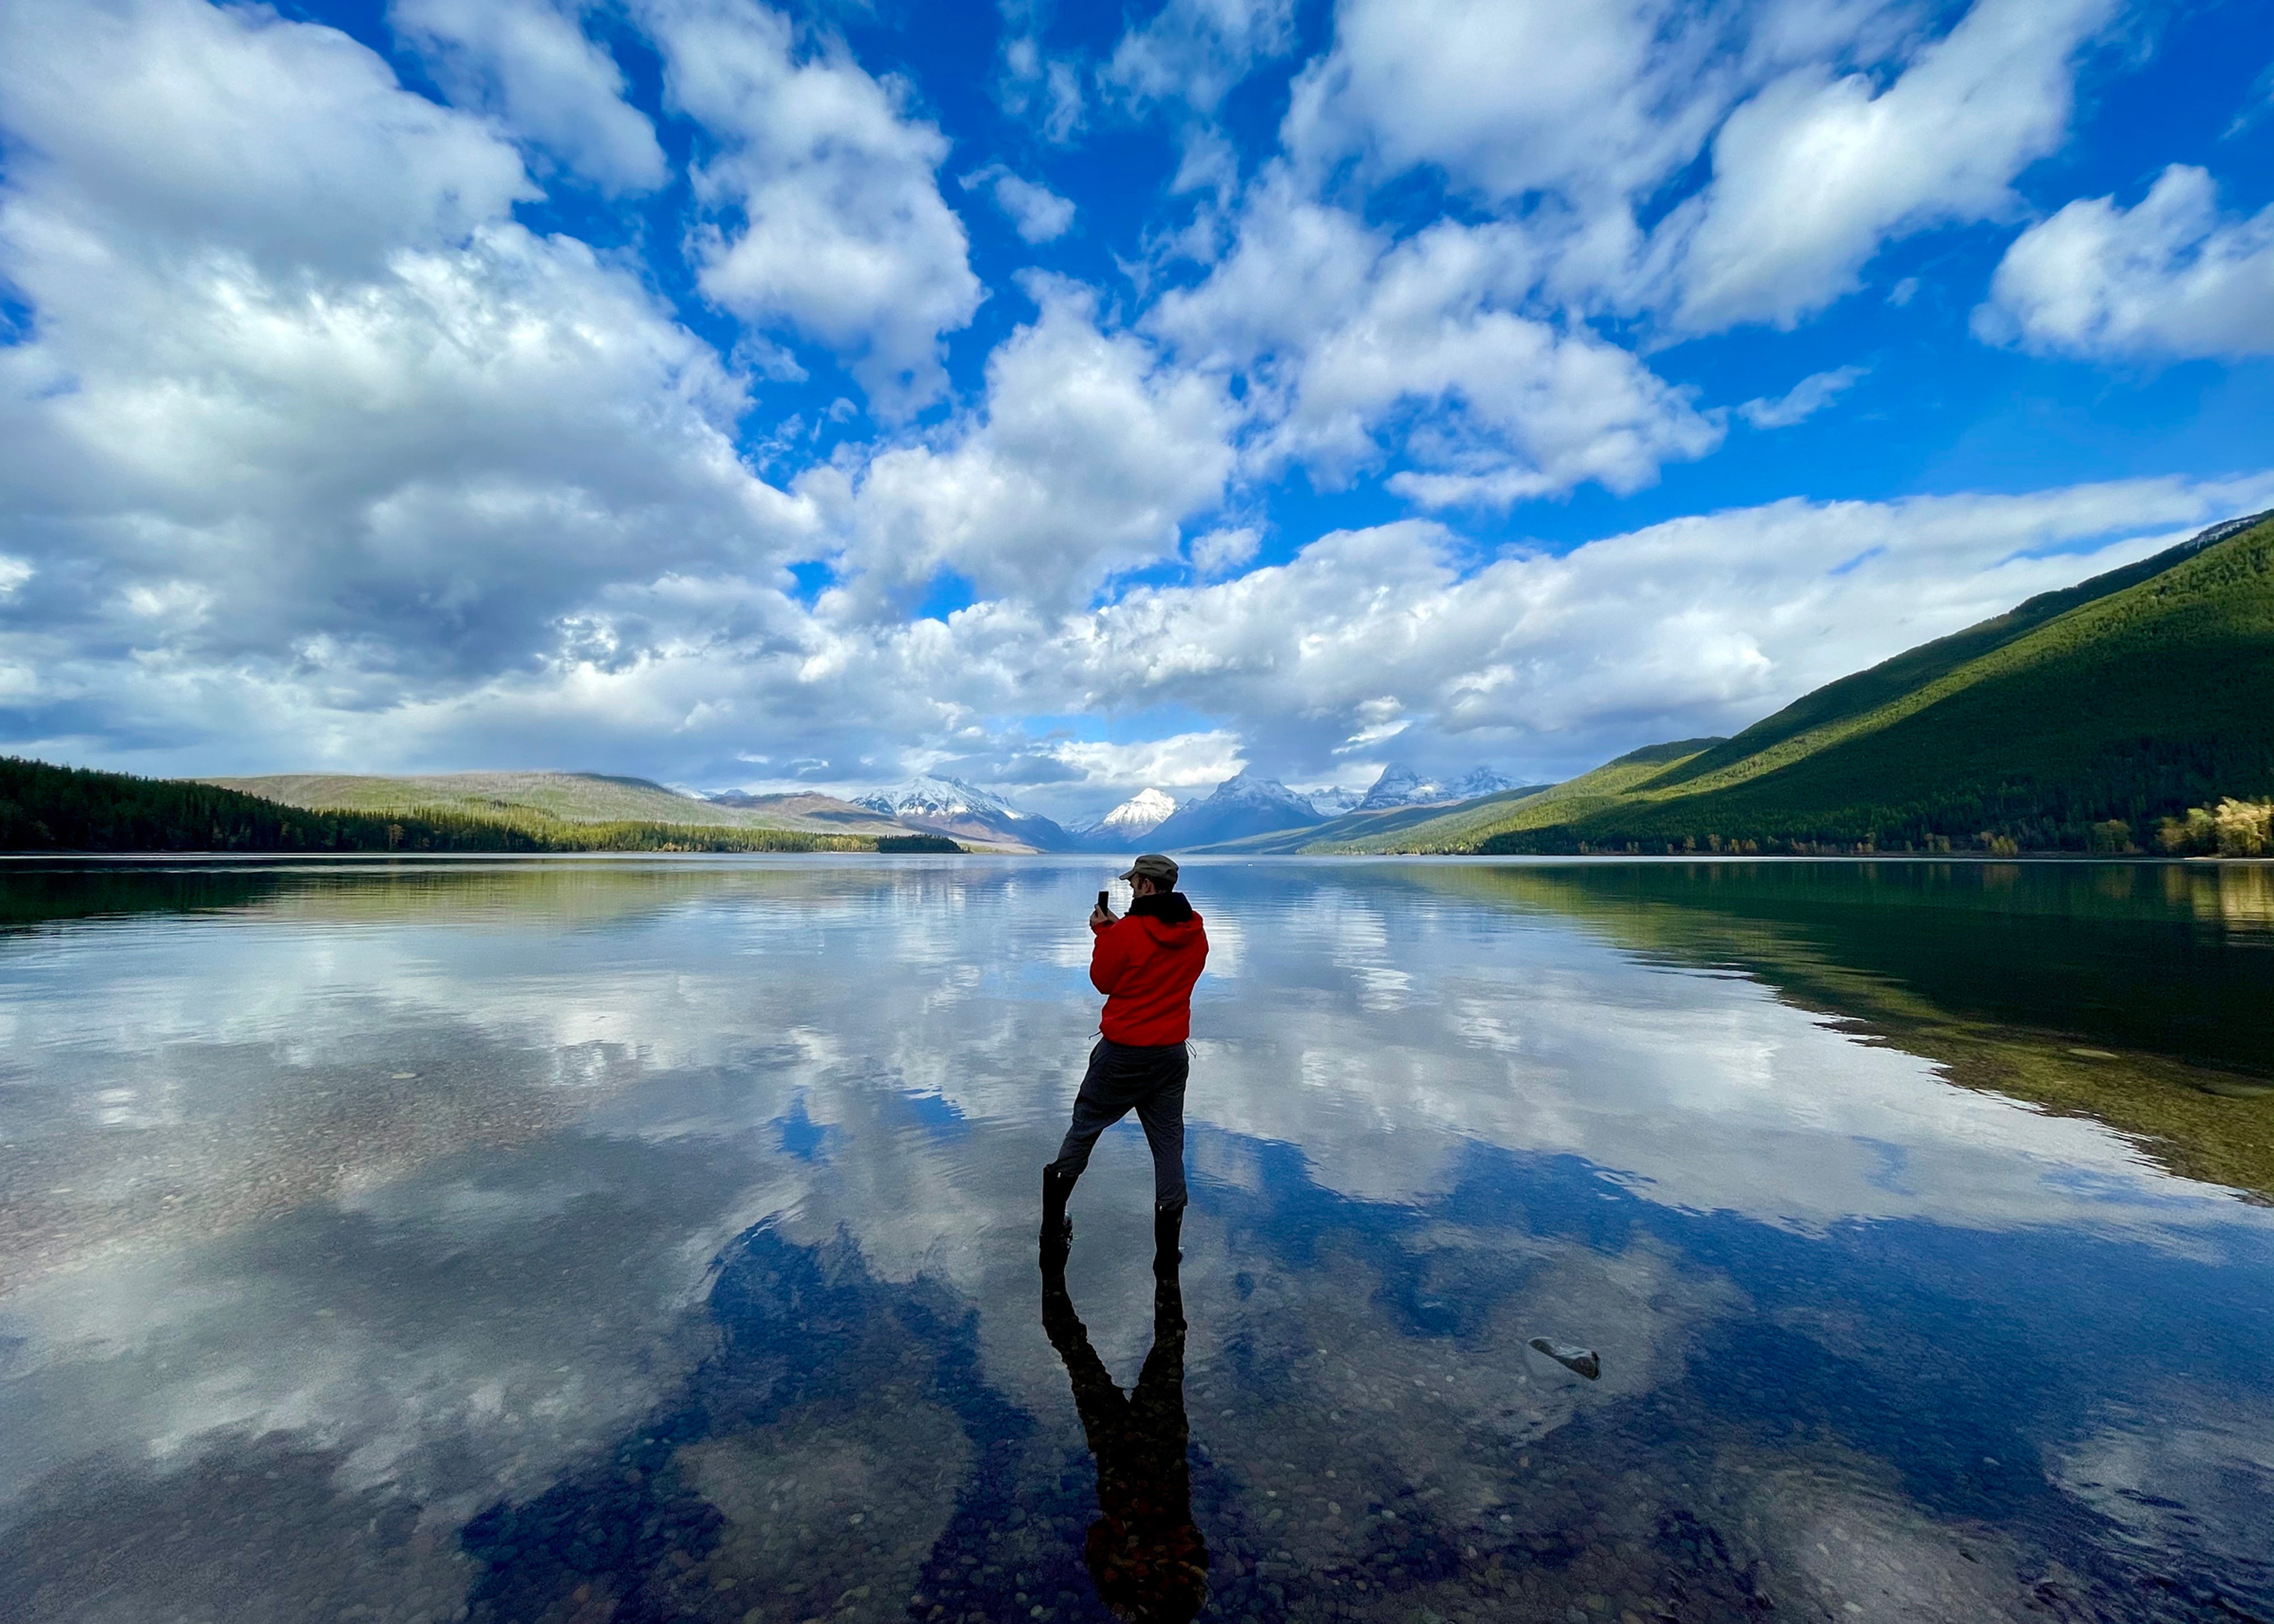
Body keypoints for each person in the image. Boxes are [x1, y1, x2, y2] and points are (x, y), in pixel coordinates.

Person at [1042, 852, 1208, 1270]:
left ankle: (1051, 1231)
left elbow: (1104, 981)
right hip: (1171, 1056)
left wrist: (1104, 935)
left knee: (1084, 1130)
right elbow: (1157, 957)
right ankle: (1167, 1256)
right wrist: (1119, 933)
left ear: (1148, 886)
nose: (1131, 889)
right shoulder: (1196, 930)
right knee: (1169, 1148)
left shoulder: (1126, 933)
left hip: (1122, 1056)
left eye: (1134, 884)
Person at [1041, 1229, 1207, 1623]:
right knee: (1162, 1339)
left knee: (1165, 1339)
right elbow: (1100, 1538)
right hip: (1139, 1453)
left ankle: (1055, 1268)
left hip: (1133, 1453)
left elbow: (1099, 1539)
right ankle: (1164, 1269)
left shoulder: (1141, 1594)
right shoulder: (1178, 1590)